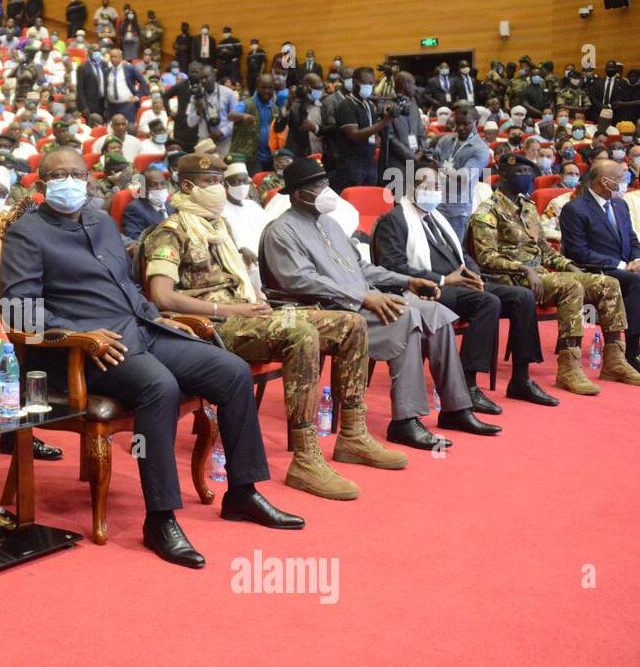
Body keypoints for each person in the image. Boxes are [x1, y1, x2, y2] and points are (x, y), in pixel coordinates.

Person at [0, 147, 305, 566]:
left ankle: (243, 492)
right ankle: (160, 518)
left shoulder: (102, 221)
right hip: (88, 349)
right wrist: (77, 334)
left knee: (232, 371)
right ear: (40, 183)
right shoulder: (27, 232)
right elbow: (18, 306)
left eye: (76, 174)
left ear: (89, 178)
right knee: (159, 386)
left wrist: (164, 317)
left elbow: (127, 289)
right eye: (57, 175)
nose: (68, 182)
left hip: (142, 329)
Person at [143, 155, 406, 500]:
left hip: (246, 315)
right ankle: (305, 457)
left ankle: (353, 436)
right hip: (214, 324)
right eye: (210, 181)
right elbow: (162, 297)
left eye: (221, 180)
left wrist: (248, 307)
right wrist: (230, 307)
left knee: (351, 323)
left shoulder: (217, 227)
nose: (220, 188)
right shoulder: (170, 231)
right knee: (301, 335)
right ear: (188, 186)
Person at [261, 157, 501, 450]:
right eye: (319, 185)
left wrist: (406, 281)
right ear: (298, 194)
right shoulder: (281, 231)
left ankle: (455, 408)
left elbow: (362, 268)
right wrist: (363, 296)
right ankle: (404, 420)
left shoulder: (329, 224)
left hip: (361, 301)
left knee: (437, 313)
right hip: (327, 310)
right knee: (406, 318)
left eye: (326, 183)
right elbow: (300, 281)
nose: (327, 191)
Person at [373, 159, 557, 408]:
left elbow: (464, 254)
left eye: (436, 185)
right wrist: (443, 279)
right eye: (424, 184)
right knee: (487, 303)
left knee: (522, 297)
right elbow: (391, 266)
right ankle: (468, 385)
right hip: (427, 289)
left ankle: (521, 379)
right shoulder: (394, 219)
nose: (432, 190)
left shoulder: (439, 217)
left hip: (460, 284)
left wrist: (474, 274)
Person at [470, 153, 640, 393]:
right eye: (520, 173)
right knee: (572, 286)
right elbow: (486, 257)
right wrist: (523, 268)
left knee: (608, 283)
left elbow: (544, 249)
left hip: (539, 276)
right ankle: (569, 367)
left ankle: (614, 360)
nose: (527, 178)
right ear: (504, 177)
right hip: (509, 279)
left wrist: (567, 264)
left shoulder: (527, 207)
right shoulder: (487, 211)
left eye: (529, 173)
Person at [558, 159, 640, 370]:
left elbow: (631, 239)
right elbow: (578, 252)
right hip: (594, 270)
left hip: (624, 267)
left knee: (635, 276)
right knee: (635, 282)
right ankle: (632, 351)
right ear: (605, 181)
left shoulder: (620, 204)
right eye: (621, 178)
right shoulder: (574, 209)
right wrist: (622, 265)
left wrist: (637, 259)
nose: (625, 183)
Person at [430, 103, 491, 240]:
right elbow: (431, 162)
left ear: (476, 122)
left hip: (457, 208)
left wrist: (439, 166)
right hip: (435, 202)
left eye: (466, 124)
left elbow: (463, 177)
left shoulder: (480, 149)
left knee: (454, 250)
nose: (461, 128)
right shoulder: (445, 140)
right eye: (458, 124)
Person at [330, 67, 393, 192]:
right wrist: (385, 121)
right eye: (365, 82)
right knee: (352, 201)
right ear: (354, 82)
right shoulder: (346, 105)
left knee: (367, 200)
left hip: (369, 160)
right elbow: (354, 135)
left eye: (371, 83)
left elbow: (374, 129)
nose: (369, 86)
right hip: (351, 162)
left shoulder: (368, 104)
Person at [121, 167, 173, 240]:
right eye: (153, 185)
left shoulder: (172, 204)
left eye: (163, 183)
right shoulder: (135, 209)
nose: (160, 188)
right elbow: (134, 238)